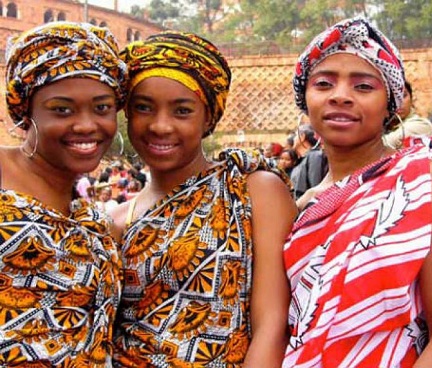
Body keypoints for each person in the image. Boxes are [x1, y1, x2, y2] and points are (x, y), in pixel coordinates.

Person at [283, 17, 432, 368]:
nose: (340, 96)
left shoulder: (423, 178)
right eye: (324, 83)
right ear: (305, 97)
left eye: (363, 87)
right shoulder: (301, 206)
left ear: (390, 104)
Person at [111, 31, 297, 367]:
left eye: (182, 111)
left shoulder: (253, 189)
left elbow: (272, 323)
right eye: (143, 108)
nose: (160, 126)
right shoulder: (118, 222)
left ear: (209, 117)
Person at [0, 21, 127, 365]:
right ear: (25, 111)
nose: (86, 125)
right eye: (62, 109)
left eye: (101, 108)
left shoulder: (94, 222)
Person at [383, 80, 432, 149]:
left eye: (403, 96)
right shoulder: (383, 127)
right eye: (392, 97)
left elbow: (383, 144)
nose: (399, 102)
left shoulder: (421, 125)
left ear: (411, 98)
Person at [290, 123, 328, 200]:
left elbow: (316, 188)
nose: (293, 139)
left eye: (296, 135)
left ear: (302, 136)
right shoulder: (301, 159)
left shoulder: (315, 156)